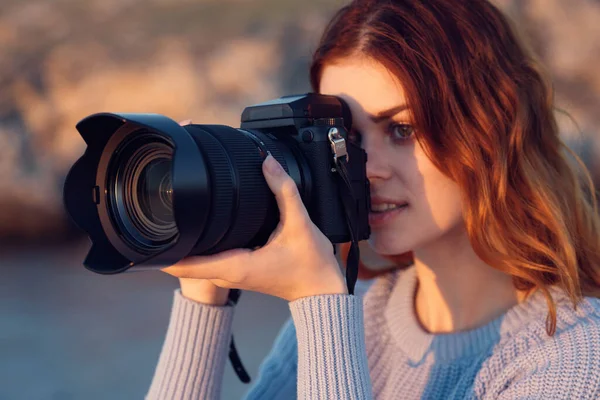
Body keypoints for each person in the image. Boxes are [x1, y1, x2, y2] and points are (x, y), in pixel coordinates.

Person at [146, 0, 600, 398]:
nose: (364, 167)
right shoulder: (354, 315)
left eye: (402, 130)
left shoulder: (574, 356)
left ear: (490, 129)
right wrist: (203, 297)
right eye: (343, 137)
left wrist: (322, 305)